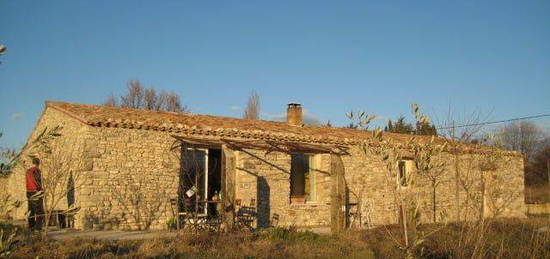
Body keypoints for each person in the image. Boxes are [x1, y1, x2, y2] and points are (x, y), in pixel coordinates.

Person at [26, 157, 44, 230]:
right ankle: (38, 228)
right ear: (38, 164)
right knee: (39, 210)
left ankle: (31, 227)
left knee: (31, 210)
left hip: (28, 192)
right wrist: (40, 190)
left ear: (32, 163)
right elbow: (36, 182)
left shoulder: (28, 171)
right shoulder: (36, 170)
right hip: (36, 192)